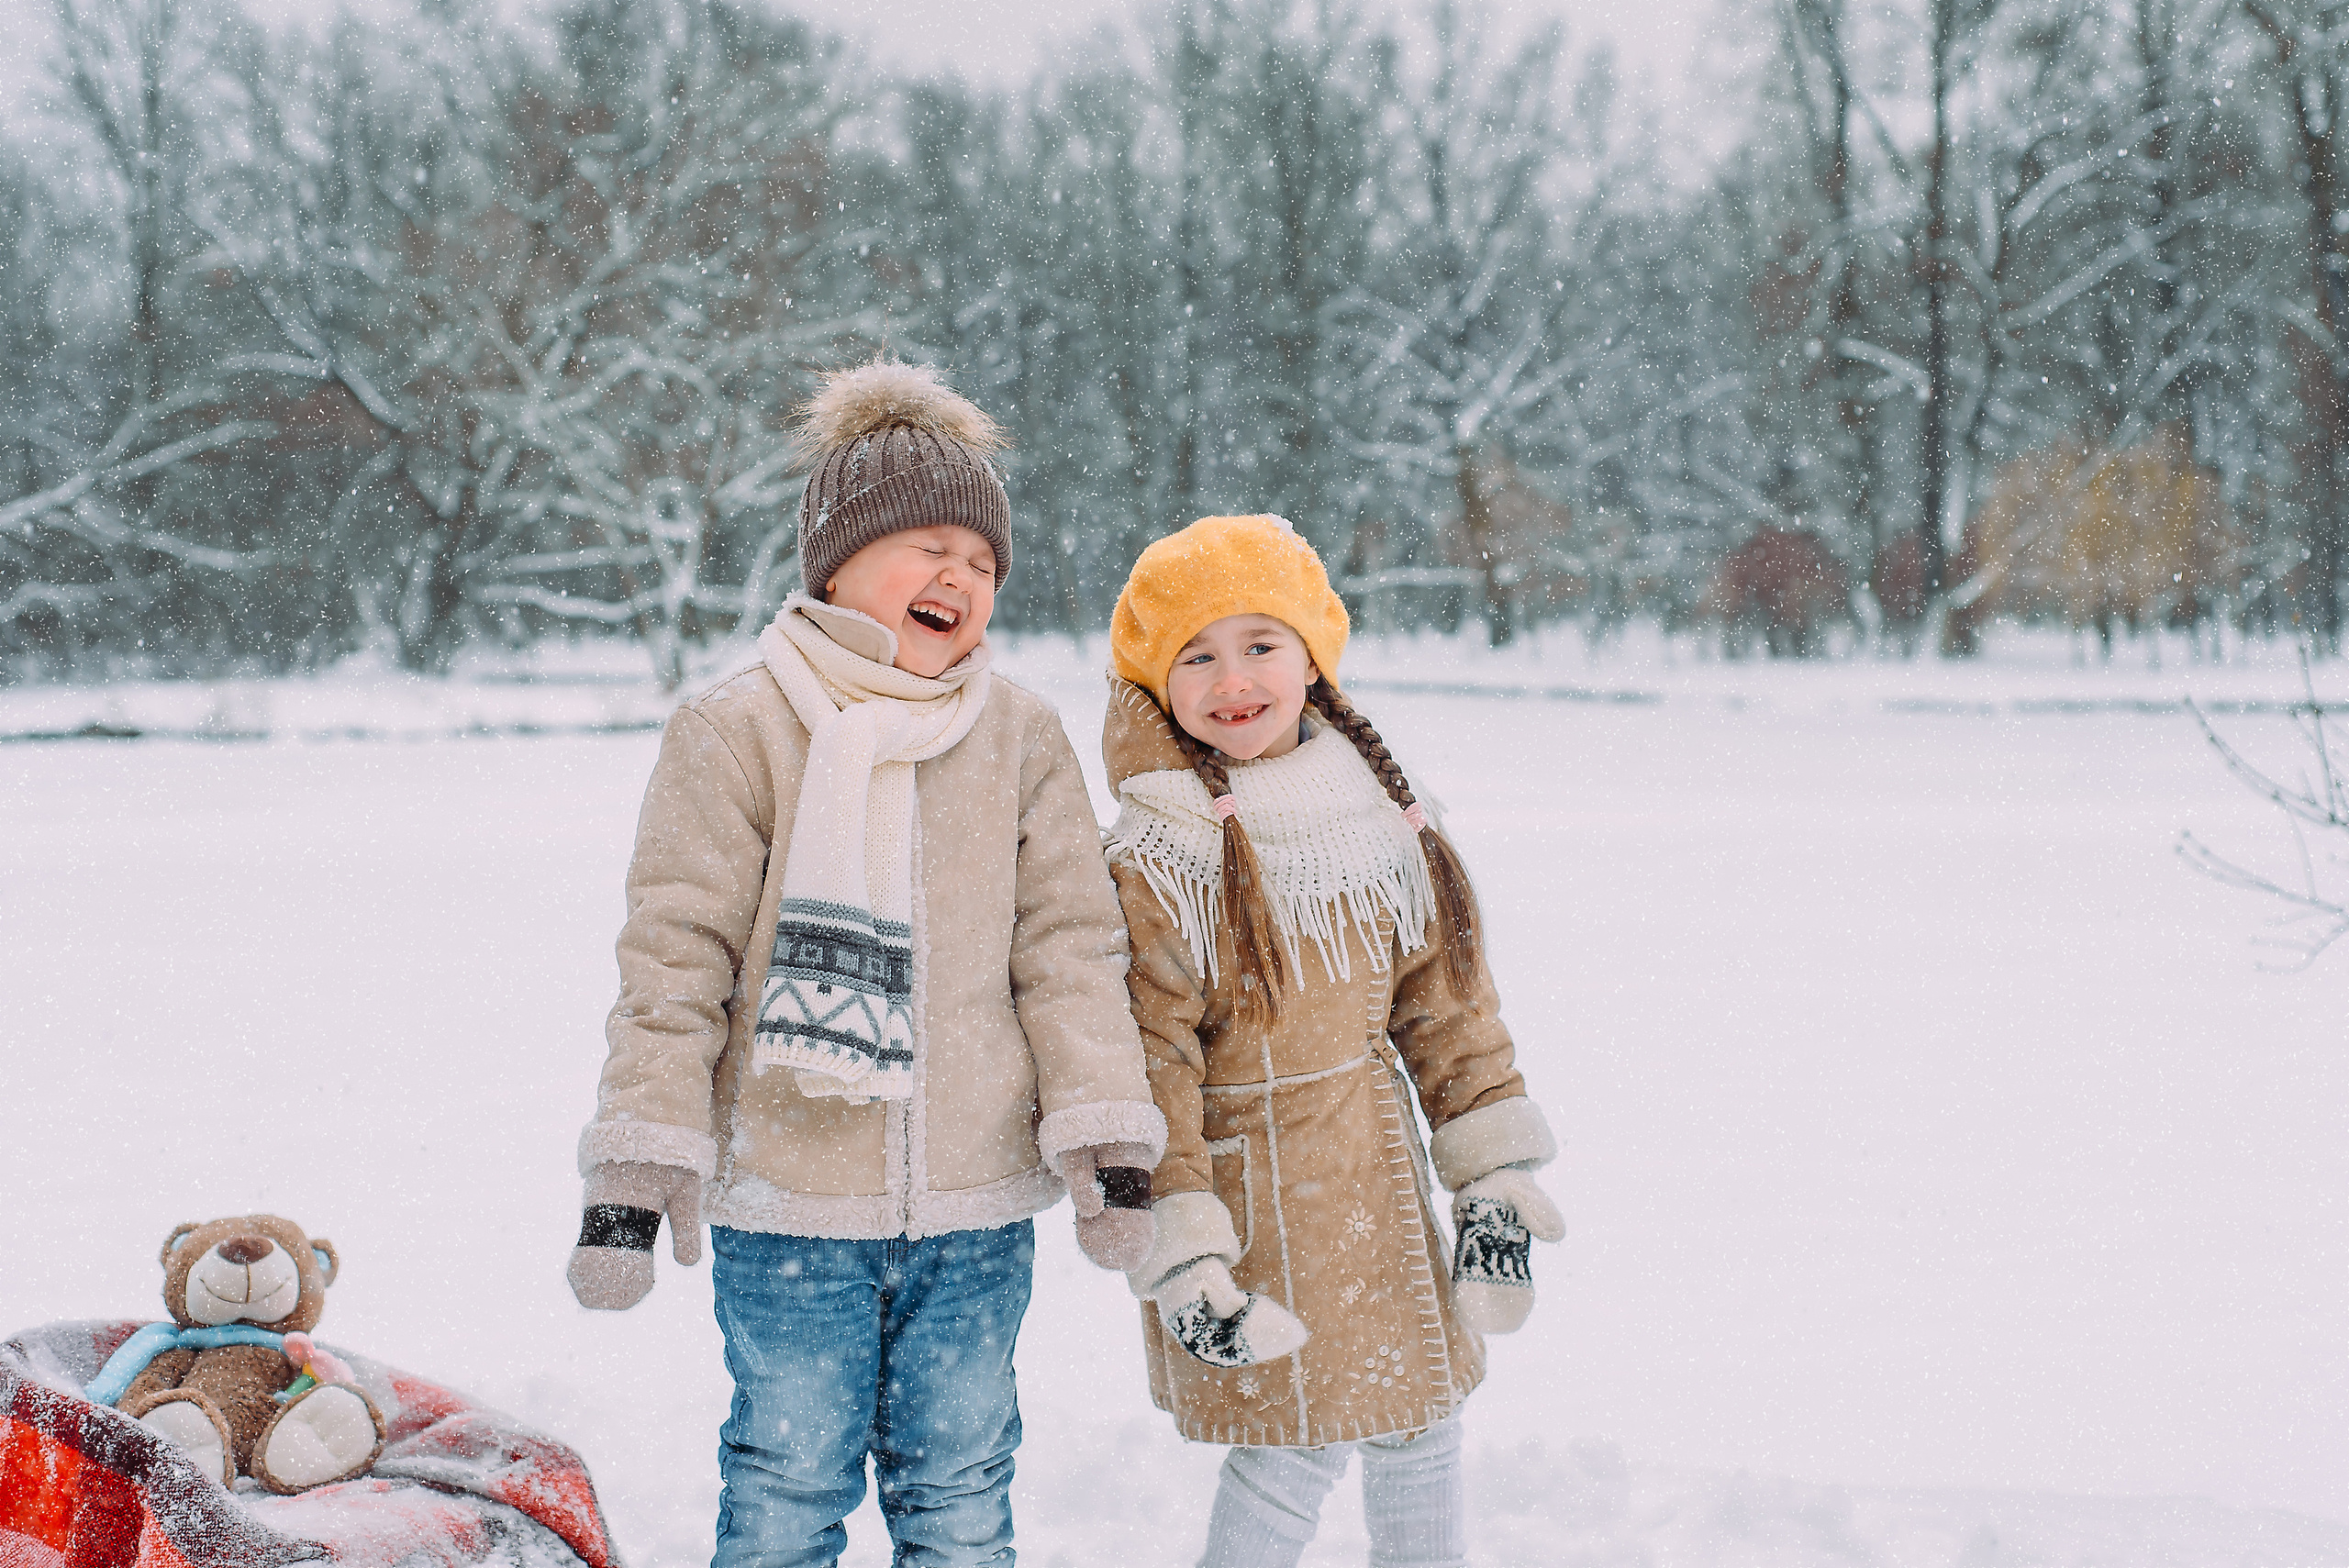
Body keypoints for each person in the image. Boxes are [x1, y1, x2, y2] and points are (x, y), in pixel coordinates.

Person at [565, 361, 1164, 1568]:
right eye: (927, 545)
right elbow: (676, 965)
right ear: (836, 561)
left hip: (978, 1205)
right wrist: (635, 1168)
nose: (961, 576)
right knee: (788, 1482)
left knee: (961, 1487)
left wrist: (1107, 1139)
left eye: (984, 562)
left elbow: (1070, 952)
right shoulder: (738, 728)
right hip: (789, 1200)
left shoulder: (1019, 737)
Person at [1101, 514, 1564, 1568]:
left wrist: (1489, 1172)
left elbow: (1446, 1011)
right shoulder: (1155, 850)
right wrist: (1181, 1240)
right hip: (1251, 1196)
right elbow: (1151, 1061)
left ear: (1312, 653)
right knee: (1291, 1445)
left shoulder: (1385, 816)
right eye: (1197, 654)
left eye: (1261, 643)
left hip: (1378, 1174)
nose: (1234, 678)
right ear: (1154, 682)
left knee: (1421, 1422)